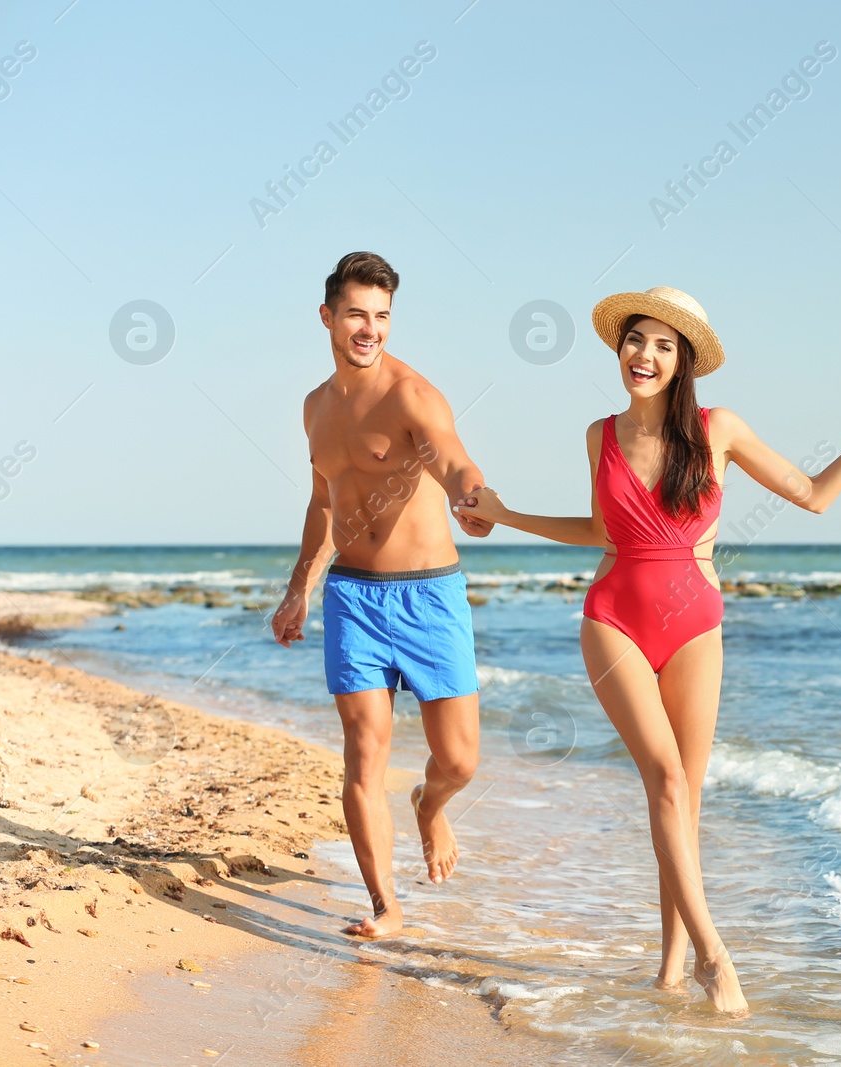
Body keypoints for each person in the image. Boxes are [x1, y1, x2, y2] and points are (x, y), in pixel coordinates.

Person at [458, 287, 841, 1012]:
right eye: (636, 340)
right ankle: (714, 954)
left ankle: (668, 970)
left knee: (683, 801)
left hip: (697, 627)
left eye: (663, 345)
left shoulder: (718, 429)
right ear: (621, 351)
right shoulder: (598, 436)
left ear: (684, 361)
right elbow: (607, 533)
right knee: (668, 781)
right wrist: (506, 513)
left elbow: (815, 493)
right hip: (614, 619)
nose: (645, 354)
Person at [271, 251, 492, 938]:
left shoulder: (410, 396)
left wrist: (469, 494)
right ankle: (385, 906)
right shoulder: (314, 407)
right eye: (358, 315)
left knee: (459, 759)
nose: (371, 329)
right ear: (328, 316)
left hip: (429, 596)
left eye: (382, 316)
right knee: (363, 749)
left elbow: (453, 457)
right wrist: (298, 587)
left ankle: (431, 805)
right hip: (353, 599)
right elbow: (321, 501)